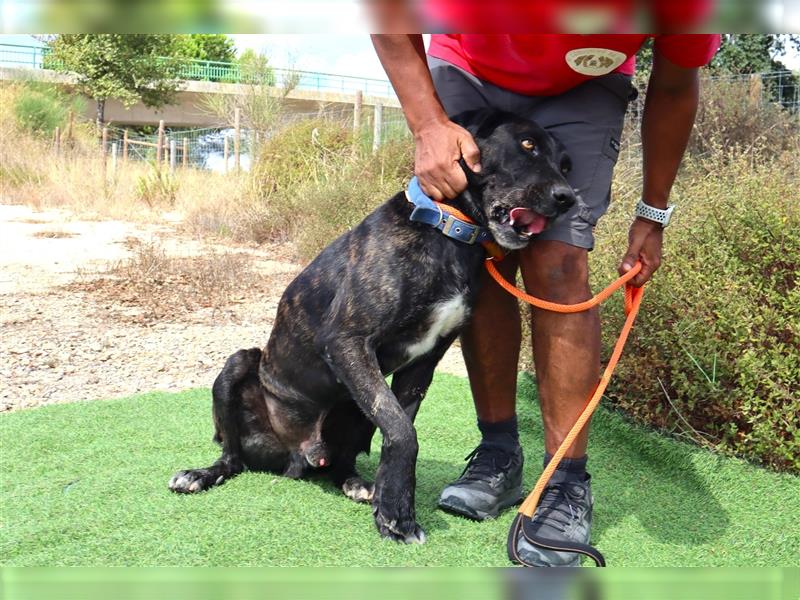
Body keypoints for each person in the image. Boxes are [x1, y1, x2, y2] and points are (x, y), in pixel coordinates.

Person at [371, 32, 720, 566]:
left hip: (585, 82)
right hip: (468, 64)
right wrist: (428, 125)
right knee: (481, 256)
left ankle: (564, 483)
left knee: (558, 261)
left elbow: (674, 85)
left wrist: (653, 214)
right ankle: (498, 453)